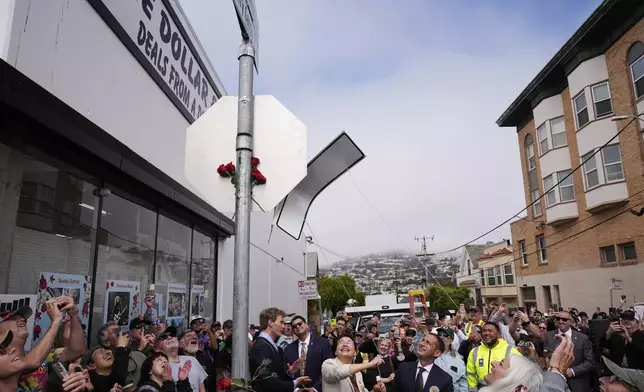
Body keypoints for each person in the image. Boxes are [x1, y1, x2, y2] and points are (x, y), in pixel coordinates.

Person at [0, 297, 85, 392]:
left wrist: (73, 314)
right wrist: (56, 321)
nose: (22, 319)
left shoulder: (39, 355)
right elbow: (31, 363)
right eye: (13, 318)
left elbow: (77, 350)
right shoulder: (2, 358)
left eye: (22, 318)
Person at [249, 308, 310, 392]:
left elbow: (277, 376)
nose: (284, 326)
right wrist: (294, 383)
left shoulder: (275, 347)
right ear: (270, 322)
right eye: (281, 322)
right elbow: (266, 381)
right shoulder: (262, 347)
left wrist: (290, 373)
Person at [543, 311, 594, 392]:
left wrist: (572, 371)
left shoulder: (583, 338)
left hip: (577, 382)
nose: (560, 321)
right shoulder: (548, 336)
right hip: (554, 382)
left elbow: (590, 362)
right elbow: (545, 355)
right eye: (558, 319)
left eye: (564, 319)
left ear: (570, 321)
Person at [284, 315, 333, 392]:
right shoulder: (288, 349)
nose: (297, 326)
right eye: (294, 326)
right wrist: (296, 389)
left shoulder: (323, 343)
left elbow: (328, 369)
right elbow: (286, 373)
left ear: (306, 325)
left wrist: (315, 389)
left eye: (300, 324)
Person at [466, 322, 521, 390]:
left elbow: (520, 374)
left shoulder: (511, 351)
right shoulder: (474, 352)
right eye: (484, 331)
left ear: (498, 334)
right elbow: (471, 375)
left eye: (490, 331)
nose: (486, 333)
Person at [321, 336, 386, 392]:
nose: (345, 344)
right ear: (335, 352)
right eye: (341, 342)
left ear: (355, 352)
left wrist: (374, 390)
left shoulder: (358, 373)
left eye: (349, 342)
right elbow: (338, 372)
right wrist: (369, 364)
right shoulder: (328, 364)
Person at [155, 327, 208, 392]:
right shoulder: (158, 367)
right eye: (164, 337)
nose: (170, 337)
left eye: (172, 335)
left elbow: (202, 388)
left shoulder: (192, 360)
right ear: (157, 347)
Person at [435, 328, 467, 392]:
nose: (441, 337)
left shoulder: (458, 360)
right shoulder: (429, 355)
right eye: (439, 335)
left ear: (451, 340)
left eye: (445, 335)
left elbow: (463, 383)